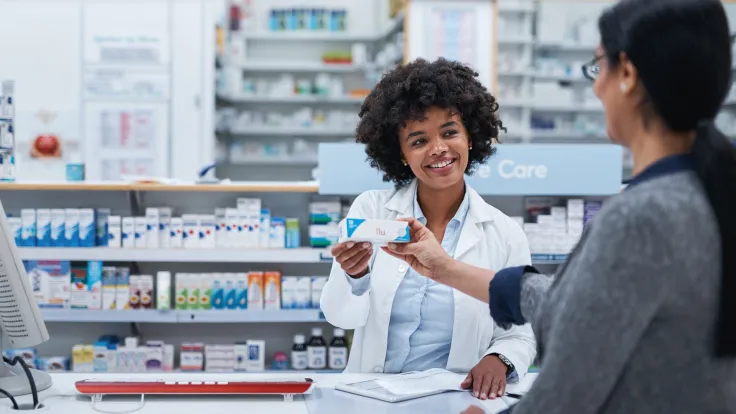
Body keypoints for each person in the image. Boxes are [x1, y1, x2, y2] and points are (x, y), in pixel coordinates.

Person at [383, 1, 736, 413]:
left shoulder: (643, 217)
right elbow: (593, 305)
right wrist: (446, 269)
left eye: (599, 66)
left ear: (626, 74)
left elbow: (565, 396)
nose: (596, 86)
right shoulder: (706, 192)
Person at [319, 58, 537, 400]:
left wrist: (500, 359)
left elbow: (521, 332)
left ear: (470, 137)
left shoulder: (504, 233)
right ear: (401, 154)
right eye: (418, 141)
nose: (438, 149)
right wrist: (356, 276)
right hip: (370, 398)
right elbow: (340, 317)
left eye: (450, 132)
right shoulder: (373, 210)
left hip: (455, 398)